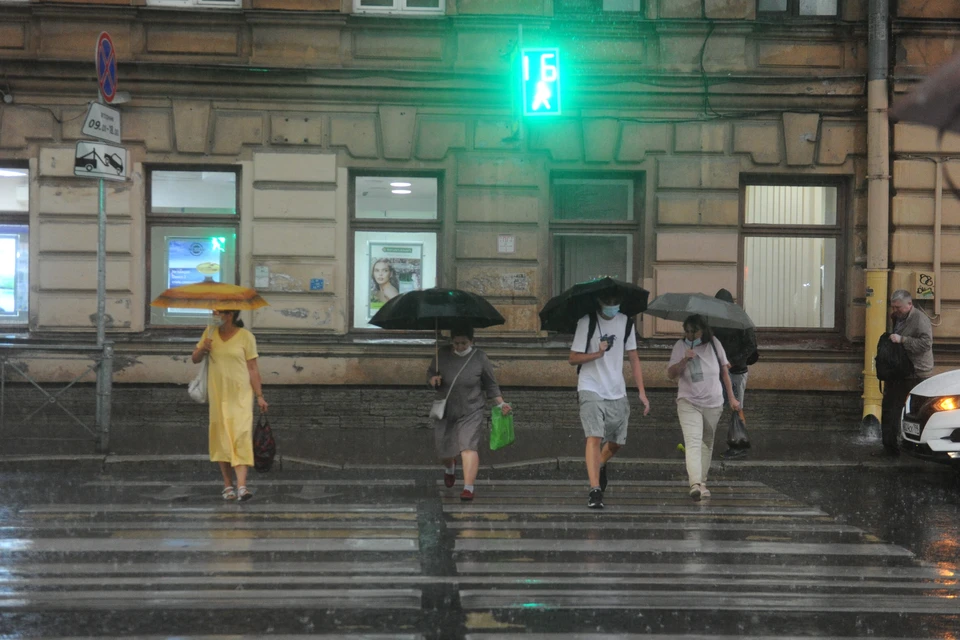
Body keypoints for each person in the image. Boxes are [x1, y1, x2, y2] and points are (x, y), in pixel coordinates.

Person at [569, 291, 650, 510]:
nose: (612, 305)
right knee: (594, 436)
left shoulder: (626, 323)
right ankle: (595, 490)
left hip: (616, 389)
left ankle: (600, 464)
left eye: (616, 301)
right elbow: (573, 358)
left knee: (617, 442)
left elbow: (633, 357)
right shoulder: (587, 322)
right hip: (590, 386)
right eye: (608, 301)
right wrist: (597, 354)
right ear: (599, 301)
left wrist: (641, 391)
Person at [192, 309, 269, 501]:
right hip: (218, 395)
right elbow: (195, 358)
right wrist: (203, 348)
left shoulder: (246, 337)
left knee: (240, 435)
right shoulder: (209, 332)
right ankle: (228, 486)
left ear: (230, 315)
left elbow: (252, 368)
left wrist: (259, 395)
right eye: (213, 312)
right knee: (222, 438)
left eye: (219, 312)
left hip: (241, 395)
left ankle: (242, 486)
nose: (214, 315)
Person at [427, 324, 510, 501]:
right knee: (444, 451)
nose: (459, 347)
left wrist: (501, 403)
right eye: (456, 343)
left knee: (468, 447)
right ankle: (450, 467)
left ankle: (468, 487)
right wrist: (433, 379)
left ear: (471, 341)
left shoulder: (479, 357)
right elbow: (430, 374)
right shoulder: (442, 354)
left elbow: (490, 384)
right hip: (446, 409)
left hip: (472, 409)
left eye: (464, 343)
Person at [667, 314, 740, 501]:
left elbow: (725, 372)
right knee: (693, 441)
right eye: (688, 331)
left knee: (707, 442)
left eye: (695, 331)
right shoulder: (680, 346)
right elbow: (671, 374)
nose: (691, 335)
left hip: (713, 403)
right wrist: (684, 360)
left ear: (703, 330)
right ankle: (694, 484)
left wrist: (732, 398)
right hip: (688, 401)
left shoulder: (714, 344)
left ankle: (703, 483)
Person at [880, 289, 934, 455]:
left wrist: (903, 340)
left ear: (909, 304)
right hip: (900, 370)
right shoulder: (897, 317)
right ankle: (892, 446)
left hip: (916, 372)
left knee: (912, 411)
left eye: (898, 307)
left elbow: (926, 344)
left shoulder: (920, 319)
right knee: (891, 408)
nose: (895, 310)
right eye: (893, 307)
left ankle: (911, 446)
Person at [713, 288, 759, 459]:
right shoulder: (716, 320)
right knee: (724, 406)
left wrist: (732, 361)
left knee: (736, 407)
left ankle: (739, 444)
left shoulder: (741, 320)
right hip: (721, 370)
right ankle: (734, 443)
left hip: (736, 371)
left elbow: (750, 347)